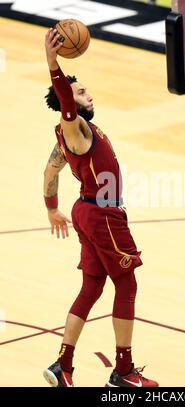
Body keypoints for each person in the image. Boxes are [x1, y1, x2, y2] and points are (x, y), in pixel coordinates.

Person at [42, 28, 158, 388]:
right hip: (103, 214)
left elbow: (50, 169)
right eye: (80, 92)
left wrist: (52, 208)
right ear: (69, 104)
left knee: (91, 288)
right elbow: (64, 98)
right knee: (126, 283)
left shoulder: (69, 137)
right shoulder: (73, 127)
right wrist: (52, 63)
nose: (87, 95)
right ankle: (123, 371)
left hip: (87, 211)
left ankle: (63, 365)